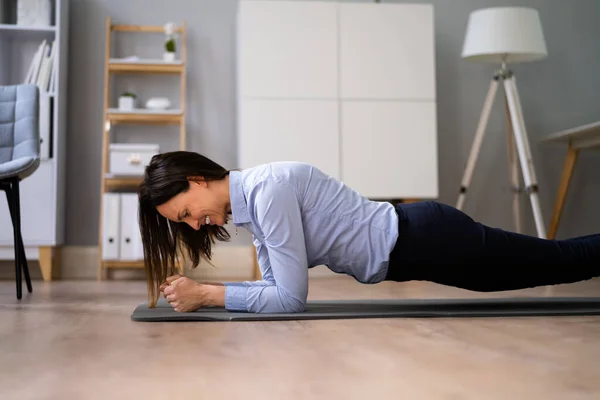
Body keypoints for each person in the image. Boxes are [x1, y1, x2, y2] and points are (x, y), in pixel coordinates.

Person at [137, 151, 600, 314]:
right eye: (184, 224)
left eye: (185, 213)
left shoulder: (267, 193)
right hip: (421, 244)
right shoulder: (254, 205)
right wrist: (208, 292)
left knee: (558, 261)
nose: (193, 225)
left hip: (429, 241)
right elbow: (277, 289)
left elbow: (289, 300)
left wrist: (208, 295)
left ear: (196, 181)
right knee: (553, 261)